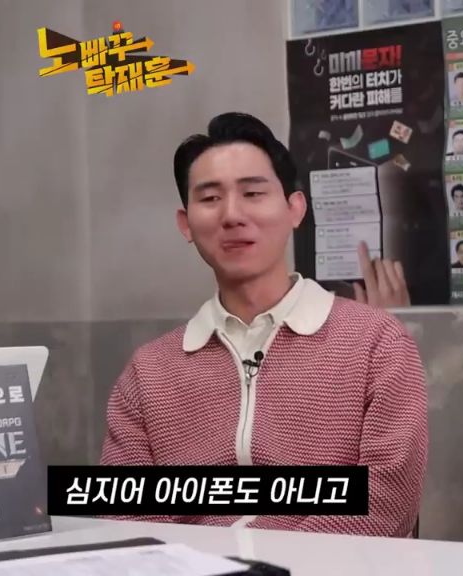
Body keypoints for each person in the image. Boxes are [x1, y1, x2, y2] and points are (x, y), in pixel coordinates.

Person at [99, 112, 428, 538]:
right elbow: (125, 519)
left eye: (253, 193)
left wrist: (268, 564)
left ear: (295, 209)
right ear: (186, 224)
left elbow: (385, 504)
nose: (232, 215)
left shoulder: (377, 343)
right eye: (210, 198)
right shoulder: (149, 373)